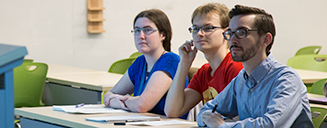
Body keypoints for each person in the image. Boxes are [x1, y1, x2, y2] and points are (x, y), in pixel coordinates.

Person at [197, 4, 314, 127]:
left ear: (266, 40)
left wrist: (223, 125)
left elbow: (268, 125)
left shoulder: (286, 79)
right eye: (230, 33)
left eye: (242, 32)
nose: (233, 40)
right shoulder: (241, 79)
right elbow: (205, 112)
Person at [103, 9, 188, 119]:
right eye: (137, 30)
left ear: (163, 35)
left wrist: (119, 101)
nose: (141, 36)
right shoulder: (140, 62)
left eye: (147, 30)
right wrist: (123, 101)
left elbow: (142, 105)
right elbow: (109, 94)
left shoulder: (170, 60)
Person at [165, 3, 243, 118]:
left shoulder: (236, 67)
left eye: (208, 28)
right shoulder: (203, 73)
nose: (199, 34)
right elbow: (172, 111)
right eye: (195, 29)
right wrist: (184, 63)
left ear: (227, 33)